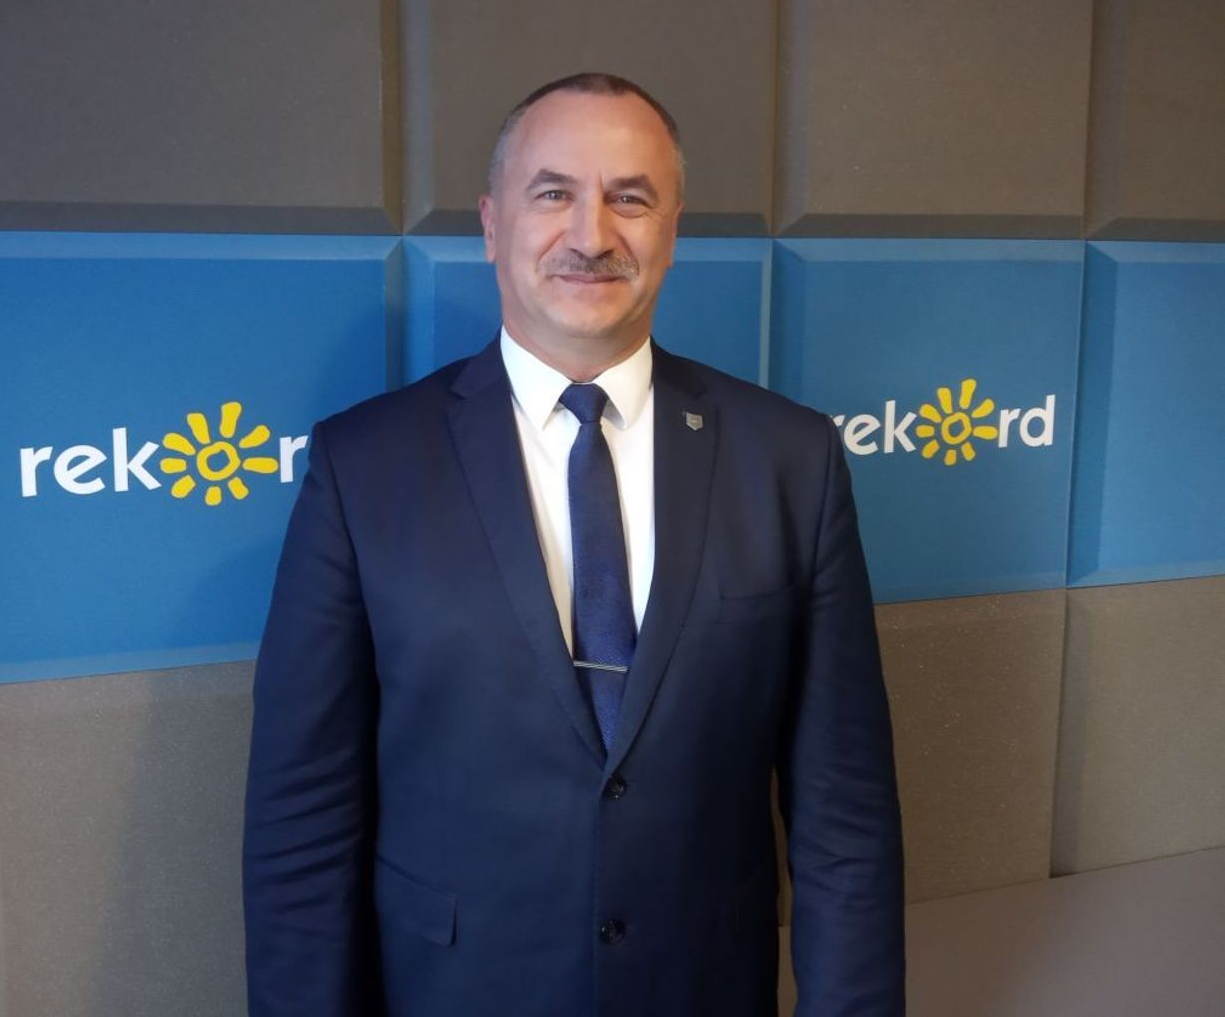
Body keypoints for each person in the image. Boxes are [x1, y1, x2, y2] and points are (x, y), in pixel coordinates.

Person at [242, 72, 905, 1016]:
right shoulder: (363, 466)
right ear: (492, 223)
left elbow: (846, 813)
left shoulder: (791, 459)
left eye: (630, 198)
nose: (591, 235)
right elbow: (302, 817)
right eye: (553, 192)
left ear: (672, 229)